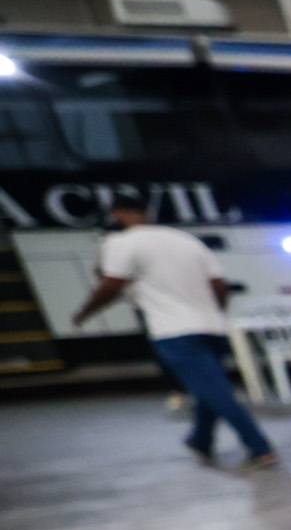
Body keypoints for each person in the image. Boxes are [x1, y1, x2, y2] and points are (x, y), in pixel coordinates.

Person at [74, 200, 276, 468]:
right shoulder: (186, 240)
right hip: (211, 327)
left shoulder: (121, 243)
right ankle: (200, 440)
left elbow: (111, 283)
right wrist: (216, 315)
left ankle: (259, 447)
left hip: (174, 330)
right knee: (209, 386)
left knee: (215, 391)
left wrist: (85, 312)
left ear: (117, 214)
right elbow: (220, 285)